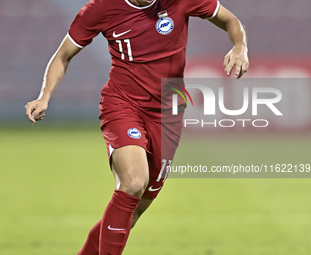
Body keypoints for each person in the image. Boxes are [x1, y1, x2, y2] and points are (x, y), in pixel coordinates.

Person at [25, 0, 249, 254]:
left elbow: (231, 21)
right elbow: (63, 56)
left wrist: (240, 45)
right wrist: (44, 96)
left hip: (169, 110)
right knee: (133, 182)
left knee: (134, 210)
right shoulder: (100, 9)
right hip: (123, 104)